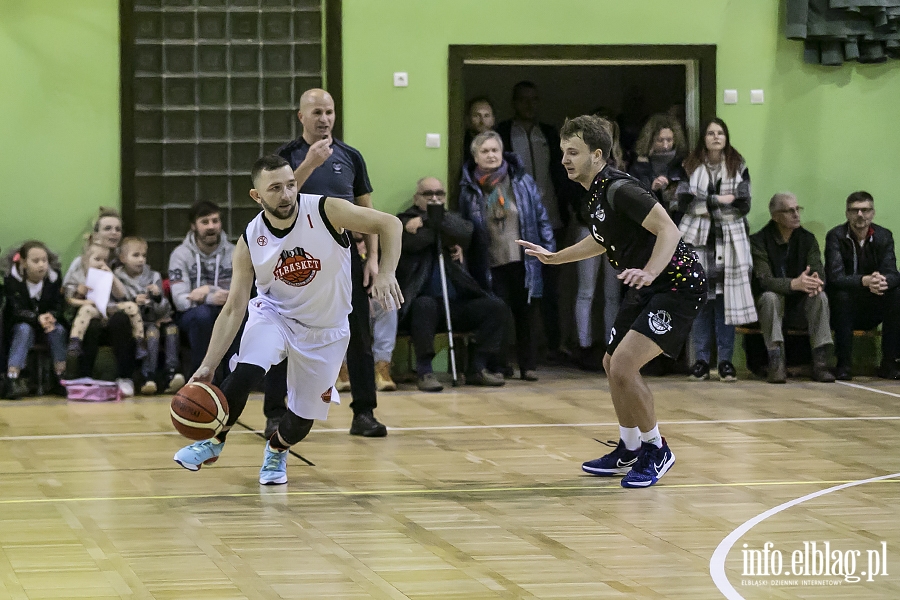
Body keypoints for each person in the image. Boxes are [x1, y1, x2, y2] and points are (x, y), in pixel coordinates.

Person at [173, 155, 403, 485]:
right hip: (275, 316)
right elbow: (234, 307)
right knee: (246, 372)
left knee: (302, 418)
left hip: (326, 328)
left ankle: (278, 449)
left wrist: (386, 272)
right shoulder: (250, 238)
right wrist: (209, 364)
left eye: (291, 185)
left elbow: (390, 224)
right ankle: (212, 443)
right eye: (276, 188)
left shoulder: (326, 210)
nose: (286, 194)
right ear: (257, 196)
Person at [518, 115, 706, 488]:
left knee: (623, 365)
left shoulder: (620, 188)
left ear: (598, 154)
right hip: (647, 284)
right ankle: (631, 446)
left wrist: (651, 271)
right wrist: (556, 257)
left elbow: (669, 229)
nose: (565, 160)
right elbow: (602, 239)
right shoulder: (594, 192)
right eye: (563, 153)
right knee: (610, 363)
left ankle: (657, 449)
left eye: (573, 153)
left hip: (676, 285)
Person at [270, 88, 386, 438]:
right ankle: (275, 414)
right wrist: (308, 165)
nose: (324, 119)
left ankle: (364, 413)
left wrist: (374, 259)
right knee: (282, 334)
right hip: (295, 259)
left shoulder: (351, 156)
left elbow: (369, 213)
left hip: (343, 257)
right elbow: (276, 204)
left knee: (359, 335)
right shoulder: (285, 156)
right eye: (317, 112)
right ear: (301, 116)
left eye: (330, 112)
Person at [459, 130, 555, 381]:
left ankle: (528, 365)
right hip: (490, 261)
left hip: (523, 257)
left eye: (495, 150)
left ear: (502, 153)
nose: (491, 155)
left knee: (526, 314)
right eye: (485, 151)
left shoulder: (522, 181)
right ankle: (499, 365)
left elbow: (541, 217)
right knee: (499, 312)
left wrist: (549, 250)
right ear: (475, 156)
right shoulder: (469, 187)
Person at [397, 177, 507, 392]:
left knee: (495, 307)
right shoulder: (403, 222)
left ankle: (477, 367)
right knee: (425, 305)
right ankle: (425, 371)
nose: (435, 198)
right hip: (420, 303)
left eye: (440, 193)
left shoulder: (451, 219)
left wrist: (429, 220)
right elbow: (415, 241)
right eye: (428, 194)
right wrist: (441, 232)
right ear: (416, 198)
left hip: (455, 303)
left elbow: (466, 231)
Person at [496, 81, 576, 360]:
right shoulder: (504, 133)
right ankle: (516, 348)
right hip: (516, 223)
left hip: (552, 219)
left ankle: (553, 345)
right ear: (514, 103)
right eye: (524, 100)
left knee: (551, 286)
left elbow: (563, 174)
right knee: (521, 286)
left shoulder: (550, 134)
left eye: (534, 99)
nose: (530, 105)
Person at [677, 117, 756, 382]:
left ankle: (725, 362)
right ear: (704, 138)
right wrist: (720, 200)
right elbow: (684, 202)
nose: (715, 137)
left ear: (726, 137)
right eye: (711, 133)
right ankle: (700, 360)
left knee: (725, 305)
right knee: (699, 302)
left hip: (730, 241)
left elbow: (743, 204)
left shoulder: (738, 165)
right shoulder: (690, 165)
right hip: (697, 241)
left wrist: (706, 205)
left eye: (720, 132)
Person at [750, 193, 834, 383]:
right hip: (771, 306)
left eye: (798, 209)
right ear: (775, 216)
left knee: (820, 296)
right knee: (770, 297)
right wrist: (793, 284)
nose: (796, 214)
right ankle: (776, 362)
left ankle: (820, 363)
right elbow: (764, 280)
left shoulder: (807, 239)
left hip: (800, 304)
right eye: (790, 210)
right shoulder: (758, 241)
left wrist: (815, 281)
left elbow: (819, 272)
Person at [825, 191, 900, 380]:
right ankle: (844, 364)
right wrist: (864, 281)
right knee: (841, 296)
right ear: (847, 213)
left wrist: (882, 281)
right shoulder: (835, 236)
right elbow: (835, 277)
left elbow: (892, 272)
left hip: (874, 303)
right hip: (843, 306)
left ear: (873, 213)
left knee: (896, 293)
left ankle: (889, 363)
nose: (860, 215)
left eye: (865, 210)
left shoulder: (884, 235)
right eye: (855, 210)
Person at [63, 243, 141, 395]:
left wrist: (112, 277)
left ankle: (126, 375)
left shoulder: (111, 273)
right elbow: (68, 302)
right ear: (85, 261)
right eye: (97, 259)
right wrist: (80, 294)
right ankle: (84, 375)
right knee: (92, 325)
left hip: (109, 314)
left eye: (105, 260)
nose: (102, 264)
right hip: (86, 319)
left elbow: (121, 295)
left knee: (121, 319)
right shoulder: (77, 276)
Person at [168, 200, 235, 376]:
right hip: (192, 313)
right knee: (203, 316)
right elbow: (181, 301)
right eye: (205, 222)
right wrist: (211, 298)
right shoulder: (180, 255)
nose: (211, 226)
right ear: (193, 226)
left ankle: (233, 379)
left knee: (241, 316)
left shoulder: (235, 253)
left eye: (215, 221)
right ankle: (201, 377)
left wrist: (206, 290)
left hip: (227, 309)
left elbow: (243, 293)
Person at [115, 237, 185, 395]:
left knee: (172, 329)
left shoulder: (154, 276)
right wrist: (134, 302)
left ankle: (171, 373)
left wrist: (158, 297)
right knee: (152, 333)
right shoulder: (117, 278)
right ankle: (148, 375)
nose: (141, 260)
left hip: (156, 319)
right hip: (137, 324)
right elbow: (117, 304)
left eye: (143, 255)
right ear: (123, 258)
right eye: (135, 255)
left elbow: (164, 310)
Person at [3, 241, 67, 399]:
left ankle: (60, 375)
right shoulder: (12, 280)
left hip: (46, 324)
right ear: (24, 263)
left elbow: (59, 304)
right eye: (36, 261)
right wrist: (36, 317)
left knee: (58, 330)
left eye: (44, 260)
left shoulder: (54, 278)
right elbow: (15, 310)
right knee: (24, 330)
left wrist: (52, 315)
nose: (41, 265)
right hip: (21, 324)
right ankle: (13, 378)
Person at [629, 113, 688, 220]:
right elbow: (633, 197)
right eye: (660, 140)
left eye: (669, 140)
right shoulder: (640, 165)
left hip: (678, 220)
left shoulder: (682, 163)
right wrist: (652, 188)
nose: (665, 146)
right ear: (650, 140)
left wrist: (677, 192)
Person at [64, 207, 124, 281]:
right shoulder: (81, 261)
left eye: (118, 229)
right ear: (96, 235)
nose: (114, 232)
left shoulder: (124, 260)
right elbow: (66, 288)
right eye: (107, 228)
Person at [462, 97, 496, 164]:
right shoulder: (460, 144)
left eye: (486, 116)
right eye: (477, 116)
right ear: (468, 119)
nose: (482, 121)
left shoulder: (500, 144)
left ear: (493, 120)